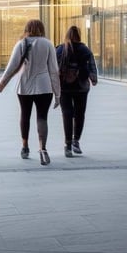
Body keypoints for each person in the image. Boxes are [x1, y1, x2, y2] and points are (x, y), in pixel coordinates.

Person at [0, 19, 60, 164]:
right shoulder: (48, 44)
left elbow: (12, 65)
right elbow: (54, 70)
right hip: (44, 86)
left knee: (25, 115)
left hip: (24, 85)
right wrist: (57, 93)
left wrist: (2, 83)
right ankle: (43, 149)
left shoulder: (21, 43)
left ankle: (25, 147)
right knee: (42, 117)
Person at [55, 25, 98, 157]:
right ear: (79, 35)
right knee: (79, 114)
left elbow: (54, 67)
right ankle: (76, 141)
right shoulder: (85, 49)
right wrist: (93, 78)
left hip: (64, 87)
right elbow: (91, 66)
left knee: (67, 114)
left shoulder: (60, 49)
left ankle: (67, 145)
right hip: (81, 86)